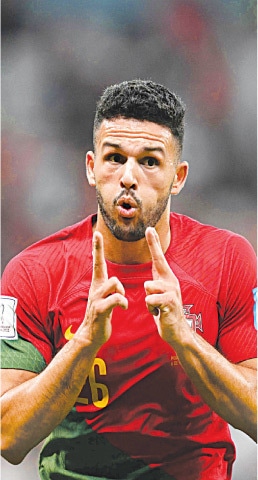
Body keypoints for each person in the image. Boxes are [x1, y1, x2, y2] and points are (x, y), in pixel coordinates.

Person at [0, 79, 257, 480]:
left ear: (179, 176)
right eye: (114, 158)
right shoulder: (34, 272)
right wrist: (83, 343)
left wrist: (185, 340)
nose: (129, 177)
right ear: (91, 167)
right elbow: (7, 437)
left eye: (150, 161)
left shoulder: (227, 260)